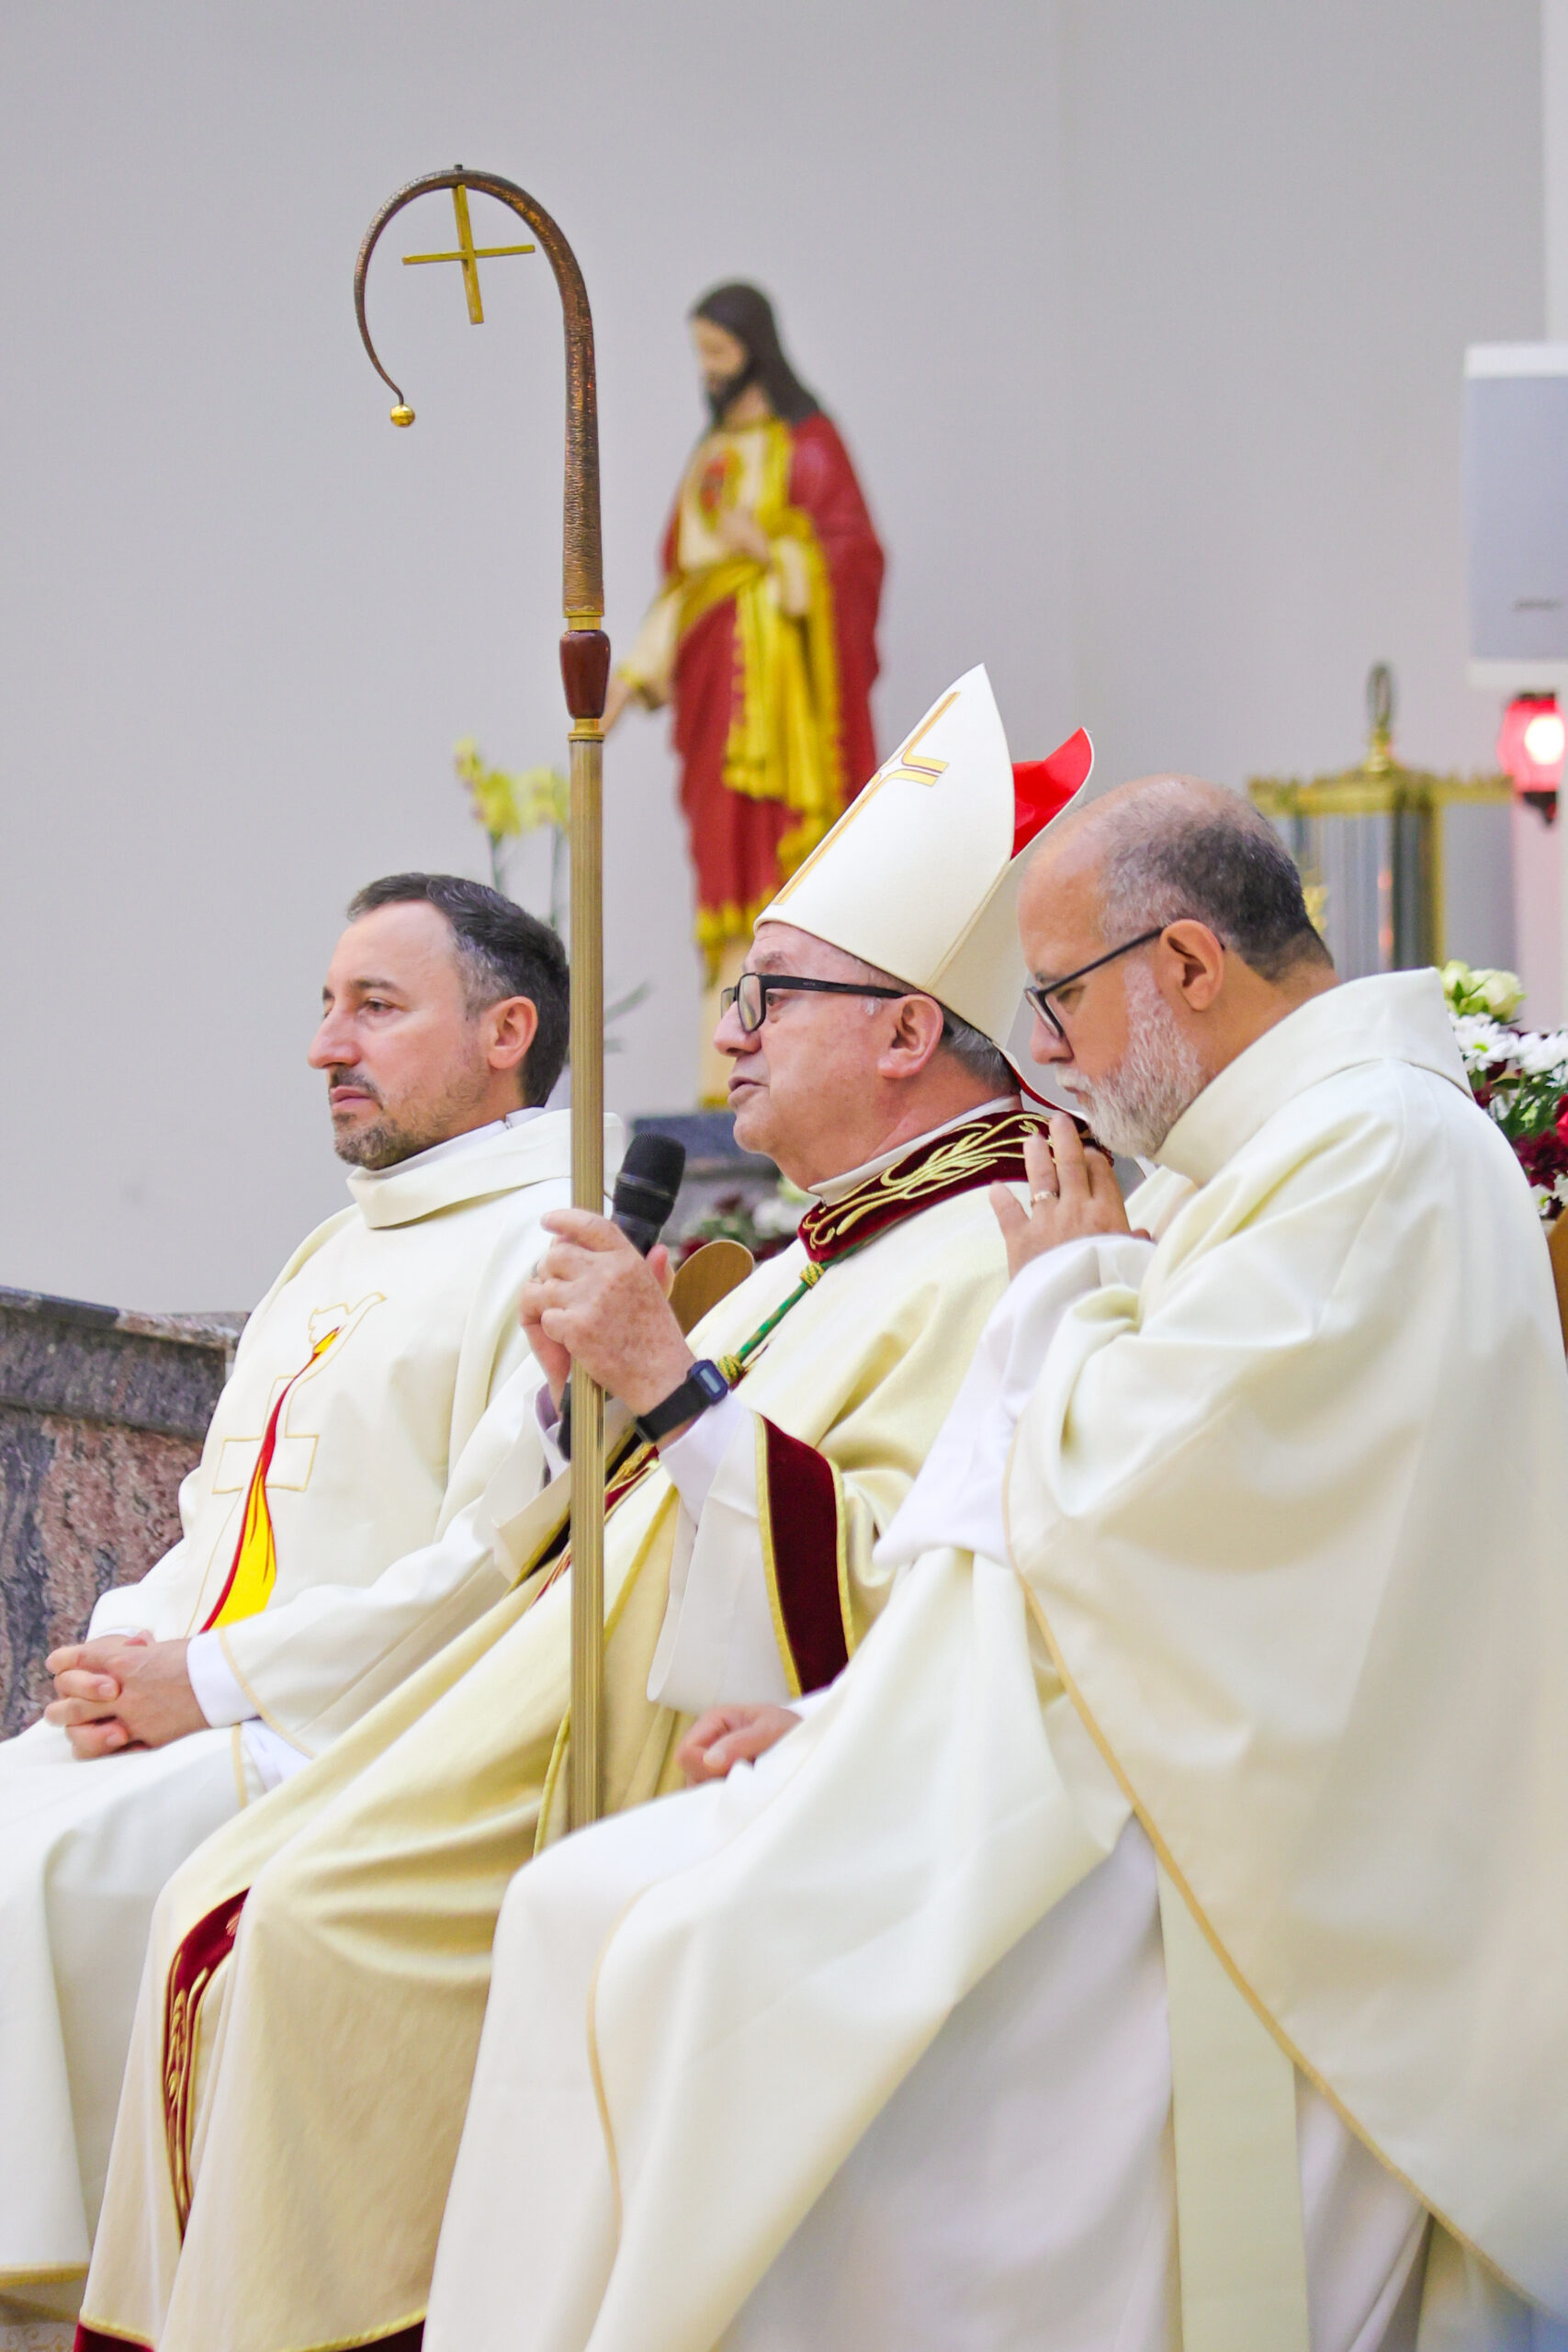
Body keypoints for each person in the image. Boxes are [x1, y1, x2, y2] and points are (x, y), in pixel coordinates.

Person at [416, 783, 1568, 2352]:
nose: (1045, 1048)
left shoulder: (1372, 1152)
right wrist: (849, 1714)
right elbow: (1083, 1528)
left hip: (1254, 1841)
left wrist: (1062, 1294)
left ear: (1184, 964)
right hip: (1159, 1751)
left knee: (679, 1959)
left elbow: (1123, 1506)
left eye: (1057, 996)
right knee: (586, 1914)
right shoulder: (1260, 1156)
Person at [77, 669, 1094, 2352]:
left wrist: (670, 1385)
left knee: (299, 1938)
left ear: (908, 1032)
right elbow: (590, 1505)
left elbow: (896, 1588)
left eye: (768, 996)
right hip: (535, 1705)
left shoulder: (992, 1252)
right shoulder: (828, 1245)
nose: (729, 1034)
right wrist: (580, 1409)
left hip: (686, 1759)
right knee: (223, 1901)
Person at [0, 873, 612, 2337]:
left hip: (353, 1729)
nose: (326, 1044)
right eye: (328, 1006)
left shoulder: (554, 1244)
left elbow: (488, 1563)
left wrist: (209, 1682)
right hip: (211, 1690)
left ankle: (74, 2281)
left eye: (374, 1007)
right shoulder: (334, 1246)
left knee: (43, 1865)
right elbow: (222, 1519)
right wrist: (132, 1643)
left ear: (506, 1034)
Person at [605, 282, 885, 1101]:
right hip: (713, 706)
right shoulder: (709, 455)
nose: (708, 368)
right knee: (724, 872)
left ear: (754, 349)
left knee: (792, 881)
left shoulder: (808, 445)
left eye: (718, 351)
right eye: (700, 352)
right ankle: (725, 1071)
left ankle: (808, 1070)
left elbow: (853, 558)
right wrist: (627, 682)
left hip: (790, 720)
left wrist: (774, 553)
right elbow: (684, 588)